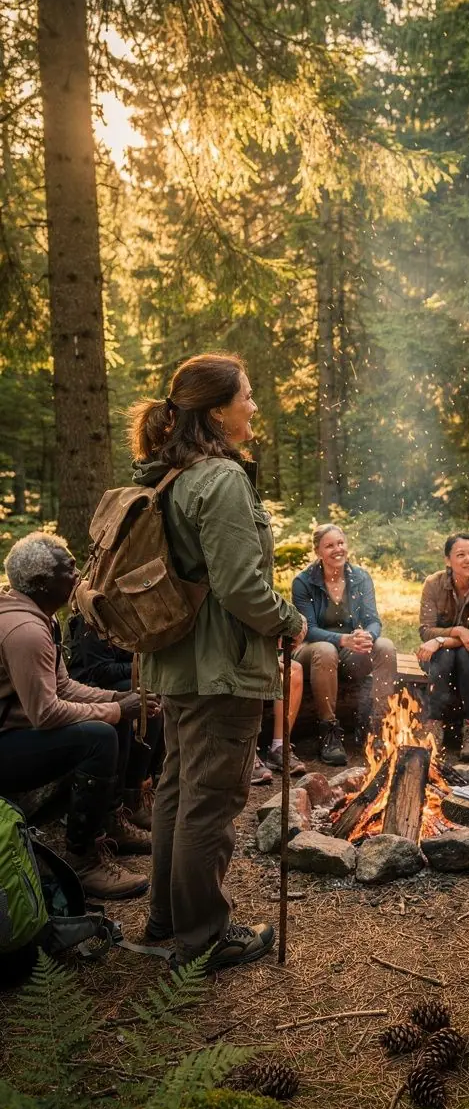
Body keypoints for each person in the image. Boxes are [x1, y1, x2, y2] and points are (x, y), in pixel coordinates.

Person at [131, 352, 306, 973]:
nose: (254, 406)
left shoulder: (171, 474)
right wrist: (291, 621)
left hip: (180, 667)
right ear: (217, 411)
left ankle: (164, 920)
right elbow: (241, 588)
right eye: (248, 396)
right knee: (208, 801)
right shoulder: (221, 479)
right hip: (220, 668)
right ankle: (202, 935)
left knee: (178, 793)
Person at [0, 533, 154, 900]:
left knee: (116, 716)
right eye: (68, 569)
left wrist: (120, 698)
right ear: (41, 582)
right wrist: (117, 708)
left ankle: (113, 820)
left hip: (15, 734)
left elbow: (64, 687)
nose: (80, 575)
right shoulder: (25, 630)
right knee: (97, 737)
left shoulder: (39, 617)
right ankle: (82, 860)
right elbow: (46, 712)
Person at [292, 525, 397, 765]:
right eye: (329, 545)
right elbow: (307, 629)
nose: (337, 549)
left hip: (350, 652)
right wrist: (342, 639)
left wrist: (367, 636)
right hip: (313, 651)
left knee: (386, 646)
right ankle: (328, 730)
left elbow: (373, 620)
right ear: (318, 551)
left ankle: (377, 723)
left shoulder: (360, 577)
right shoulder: (303, 582)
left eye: (340, 543)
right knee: (326, 650)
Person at [66, 611, 164, 829]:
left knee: (153, 702)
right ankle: (118, 807)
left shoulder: (134, 612)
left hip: (119, 684)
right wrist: (143, 666)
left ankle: (136, 794)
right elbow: (98, 671)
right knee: (138, 700)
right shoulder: (91, 615)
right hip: (92, 686)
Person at [416, 534, 469, 762]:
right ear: (447, 560)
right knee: (446, 656)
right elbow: (425, 630)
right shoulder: (433, 583)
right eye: (460, 555)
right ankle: (434, 725)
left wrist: (441, 640)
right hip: (437, 655)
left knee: (464, 654)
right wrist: (457, 632)